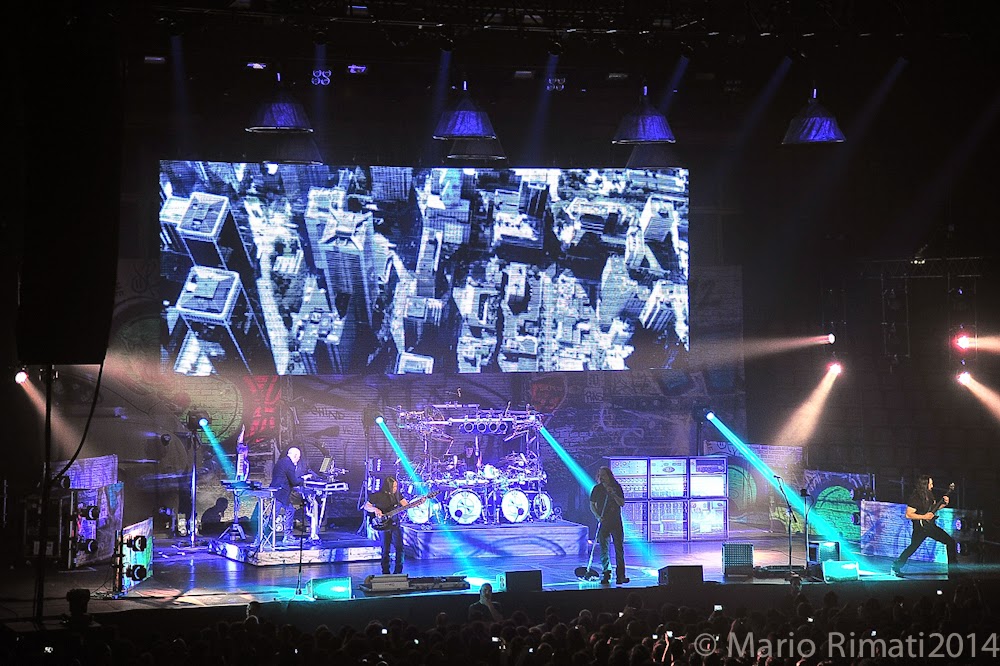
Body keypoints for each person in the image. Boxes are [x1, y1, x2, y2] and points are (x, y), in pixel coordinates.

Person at [891, 475, 958, 577]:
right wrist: (924, 516)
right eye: (930, 483)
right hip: (920, 527)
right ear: (925, 484)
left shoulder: (930, 495)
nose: (932, 486)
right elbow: (908, 514)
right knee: (912, 547)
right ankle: (896, 566)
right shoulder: (915, 497)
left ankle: (953, 571)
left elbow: (932, 510)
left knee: (950, 542)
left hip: (930, 526)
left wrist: (944, 504)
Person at [590, 466, 628, 585]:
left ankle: (620, 576)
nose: (601, 477)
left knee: (619, 549)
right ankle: (606, 574)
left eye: (603, 475)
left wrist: (614, 494)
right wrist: (597, 516)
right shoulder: (597, 489)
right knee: (604, 549)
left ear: (609, 475)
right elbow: (592, 505)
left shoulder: (616, 487)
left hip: (616, 522)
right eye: (599, 475)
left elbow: (622, 503)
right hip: (604, 522)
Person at [364, 475, 409, 574]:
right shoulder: (377, 495)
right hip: (383, 526)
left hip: (395, 524)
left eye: (396, 486)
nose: (395, 488)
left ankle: (398, 571)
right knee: (385, 549)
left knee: (400, 548)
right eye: (393, 487)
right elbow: (366, 506)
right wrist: (375, 509)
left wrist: (418, 502)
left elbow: (406, 505)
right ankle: (385, 571)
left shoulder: (397, 495)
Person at [272, 447, 312, 546]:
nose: (299, 459)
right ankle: (287, 537)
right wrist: (304, 478)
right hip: (281, 492)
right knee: (274, 515)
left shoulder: (282, 461)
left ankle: (287, 536)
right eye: (298, 457)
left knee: (289, 510)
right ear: (295, 455)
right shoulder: (289, 464)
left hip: (278, 491)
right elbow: (294, 481)